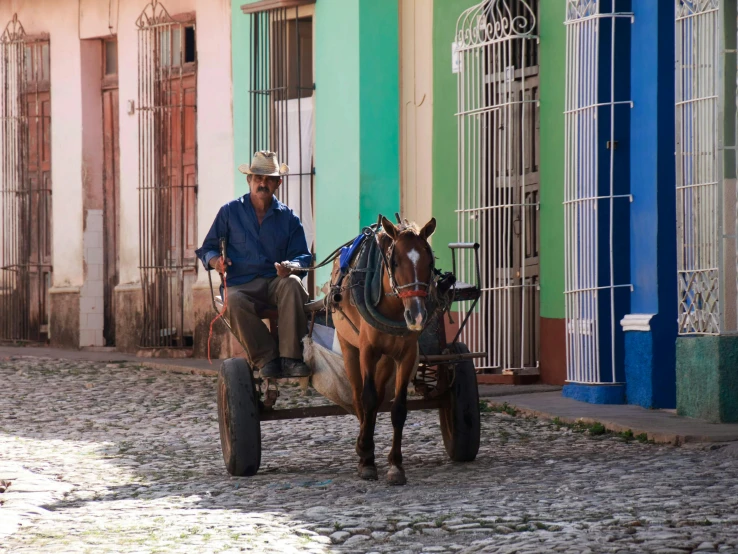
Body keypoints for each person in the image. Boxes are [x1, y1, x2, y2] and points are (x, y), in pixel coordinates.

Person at [196, 151, 312, 378]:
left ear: (278, 183)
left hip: (275, 283)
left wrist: (290, 266)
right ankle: (267, 357)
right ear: (249, 180)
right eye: (258, 177)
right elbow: (206, 248)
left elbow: (303, 257)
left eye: (269, 178)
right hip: (241, 284)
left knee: (294, 284)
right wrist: (216, 262)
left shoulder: (289, 218)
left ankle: (290, 358)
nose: (263, 183)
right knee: (233, 301)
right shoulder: (229, 212)